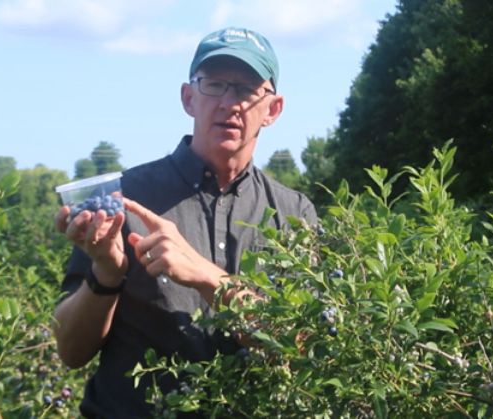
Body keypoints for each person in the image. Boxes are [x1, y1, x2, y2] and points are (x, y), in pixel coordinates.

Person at [53, 27, 317, 417]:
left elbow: (302, 348)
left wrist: (207, 278)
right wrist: (106, 273)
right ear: (188, 98)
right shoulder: (124, 199)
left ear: (272, 110)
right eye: (214, 85)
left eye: (246, 89)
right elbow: (71, 352)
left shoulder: (293, 215)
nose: (230, 102)